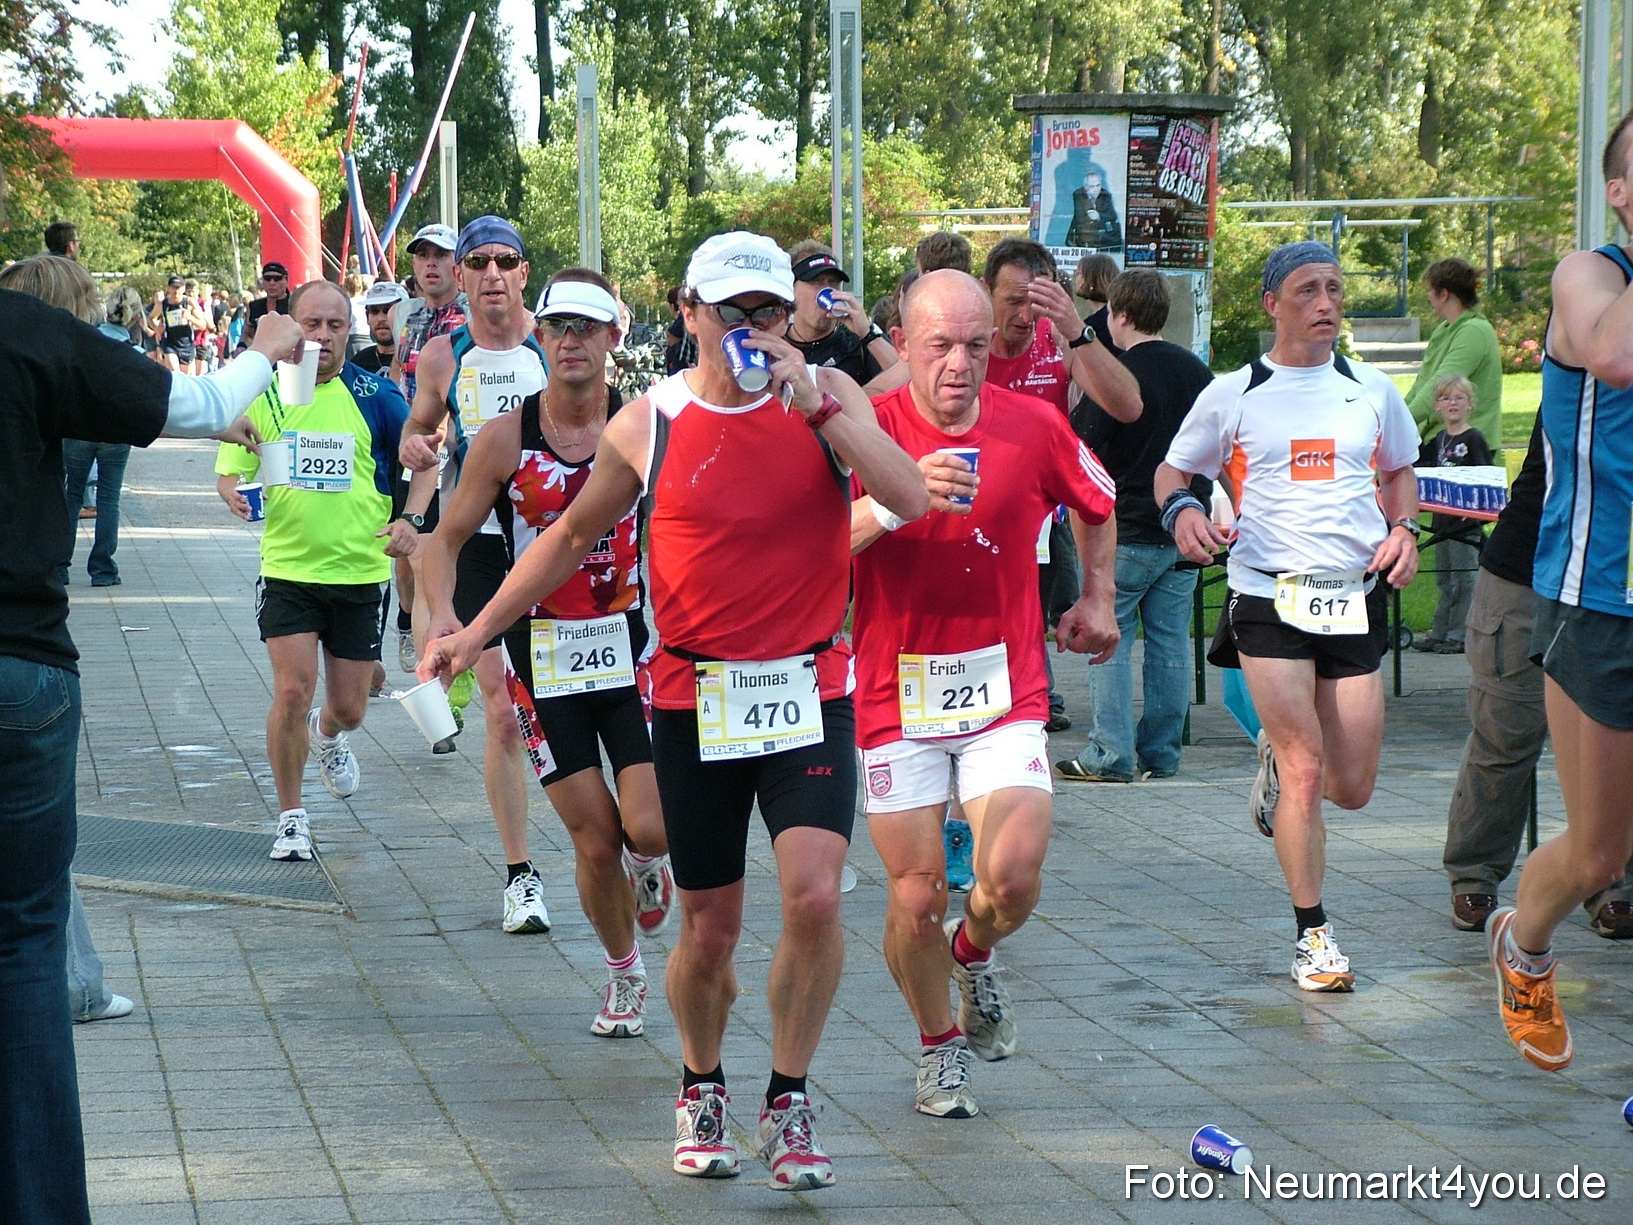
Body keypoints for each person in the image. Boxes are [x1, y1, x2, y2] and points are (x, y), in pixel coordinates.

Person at [418, 231, 926, 1191]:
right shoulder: (650, 420)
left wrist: (821, 408)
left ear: (792, 317)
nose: (747, 331)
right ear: (687, 312)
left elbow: (905, 496)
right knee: (712, 927)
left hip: (810, 691)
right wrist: (473, 628)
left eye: (765, 313)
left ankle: (788, 1096)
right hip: (697, 700)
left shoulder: (830, 397)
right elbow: (566, 536)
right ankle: (701, 1081)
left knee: (816, 894)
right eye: (726, 311)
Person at [0, 280, 300, 1225]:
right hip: (21, 669)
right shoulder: (31, 335)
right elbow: (202, 405)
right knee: (25, 948)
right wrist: (269, 343)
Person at [849, 269, 1117, 1119]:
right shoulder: (869, 431)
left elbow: (1099, 501)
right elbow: (816, 542)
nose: (960, 363)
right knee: (915, 891)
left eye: (974, 344)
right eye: (939, 345)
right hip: (896, 692)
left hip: (1004, 688)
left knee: (1011, 876)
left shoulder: (1032, 423)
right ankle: (937, 1049)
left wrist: (1099, 595)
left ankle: (975, 952)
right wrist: (897, 502)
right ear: (904, 339)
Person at [1156, 240, 1421, 993]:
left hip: (1352, 593)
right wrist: (1181, 512)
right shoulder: (1234, 391)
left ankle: (1275, 757)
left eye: (1334, 288)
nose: (1326, 303)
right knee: (1307, 771)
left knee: (1352, 785)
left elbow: (1398, 470)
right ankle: (1313, 934)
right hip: (1266, 592)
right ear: (1272, 303)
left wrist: (1400, 528)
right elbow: (1175, 469)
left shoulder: (1371, 389)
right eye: (1307, 289)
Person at [418, 268, 675, 1035]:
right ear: (543, 336)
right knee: (593, 837)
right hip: (543, 658)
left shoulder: (646, 427)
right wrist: (439, 615)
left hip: (630, 647)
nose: (570, 341)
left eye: (586, 328)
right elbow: (445, 539)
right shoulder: (507, 437)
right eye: (558, 326)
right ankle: (623, 974)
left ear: (612, 338)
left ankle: (648, 864)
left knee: (650, 827)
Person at [1486, 113, 1633, 1073]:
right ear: (1620, 191)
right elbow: (1614, 355)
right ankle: (1523, 946)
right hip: (1601, 598)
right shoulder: (1588, 277)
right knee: (1597, 857)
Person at [213, 279, 414, 862]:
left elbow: (421, 462)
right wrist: (232, 490)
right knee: (293, 691)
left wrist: (415, 520)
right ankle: (292, 817)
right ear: (290, 326)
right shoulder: (268, 391)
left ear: (347, 330)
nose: (321, 337)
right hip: (289, 570)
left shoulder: (378, 397)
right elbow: (231, 468)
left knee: (349, 708)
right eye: (311, 324)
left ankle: (329, 739)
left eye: (333, 326)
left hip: (358, 574)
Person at [399, 216, 547, 931]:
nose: (492, 274)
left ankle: (632, 843)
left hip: (556, 543)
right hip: (481, 542)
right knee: (500, 712)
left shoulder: (556, 345)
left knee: (566, 706)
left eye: (505, 261)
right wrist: (416, 449)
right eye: (478, 262)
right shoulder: (441, 355)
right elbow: (415, 428)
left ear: (523, 272)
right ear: (459, 276)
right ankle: (521, 875)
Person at [1440, 418, 1633, 936]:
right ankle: (1473, 874)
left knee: (1612, 742)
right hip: (1525, 577)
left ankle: (1612, 883)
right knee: (1505, 737)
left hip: (1610, 587)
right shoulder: (1592, 365)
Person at [1059, 269, 1214, 783]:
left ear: (1118, 316)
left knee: (1112, 639)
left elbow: (1083, 448)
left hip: (1125, 528)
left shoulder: (1120, 376)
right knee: (1170, 642)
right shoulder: (1197, 372)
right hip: (1186, 525)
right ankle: (1163, 753)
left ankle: (1111, 752)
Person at [387, 223, 466, 675]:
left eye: (440, 256)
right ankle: (407, 621)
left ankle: (438, 679)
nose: (431, 264)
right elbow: (400, 375)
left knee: (428, 559)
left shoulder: (473, 316)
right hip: (413, 448)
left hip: (455, 455)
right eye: (422, 256)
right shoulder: (408, 316)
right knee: (405, 560)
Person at [1413, 374, 1493, 655]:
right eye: (1446, 398)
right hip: (1441, 521)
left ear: (1470, 404)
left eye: (1459, 398)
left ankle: (1460, 635)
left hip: (1464, 524)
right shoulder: (1439, 440)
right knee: (1444, 580)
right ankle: (1441, 631)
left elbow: (1485, 478)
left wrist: (1473, 511)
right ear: (1437, 405)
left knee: (1464, 578)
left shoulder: (1474, 439)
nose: (1452, 403)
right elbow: (1419, 466)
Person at [1404, 257, 1503, 460]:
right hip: (1438, 440)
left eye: (1430, 291)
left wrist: (1397, 423)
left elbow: (1438, 384)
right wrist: (1395, 416)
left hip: (1467, 448)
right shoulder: (1446, 329)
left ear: (1443, 294)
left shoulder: (1474, 331)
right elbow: (1421, 385)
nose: (1428, 297)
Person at [783, 241, 899, 384]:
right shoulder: (777, 345)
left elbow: (907, 380)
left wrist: (868, 334)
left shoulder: (859, 340)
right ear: (790, 289)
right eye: (816, 282)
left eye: (833, 283)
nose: (828, 292)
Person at [150, 275, 207, 373]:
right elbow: (151, 318)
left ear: (184, 289)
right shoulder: (162, 304)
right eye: (173, 287)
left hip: (186, 344)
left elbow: (203, 325)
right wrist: (156, 328)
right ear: (168, 288)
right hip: (170, 343)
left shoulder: (190, 303)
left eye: (179, 288)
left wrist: (190, 317)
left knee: (186, 379)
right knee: (176, 374)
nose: (176, 291)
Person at [1073, 252, 1123, 358]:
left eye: (1078, 273)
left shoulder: (1096, 325)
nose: (1076, 277)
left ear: (1091, 279)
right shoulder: (1118, 315)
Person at [353, 280, 407, 374]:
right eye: (374, 311)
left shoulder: (419, 360)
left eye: (387, 310)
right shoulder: (358, 363)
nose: (380, 319)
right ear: (367, 316)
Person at [237, 261, 291, 352]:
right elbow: (246, 333)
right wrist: (241, 346)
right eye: (267, 278)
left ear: (286, 281)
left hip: (289, 358)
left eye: (277, 278)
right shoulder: (254, 306)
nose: (272, 283)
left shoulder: (295, 304)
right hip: (262, 358)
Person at [1065, 167, 1122, 251]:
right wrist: (1096, 218)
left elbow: (1112, 215)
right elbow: (1080, 218)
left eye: (1098, 185)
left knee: (1114, 233)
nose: (1096, 189)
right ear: (1086, 187)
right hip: (1082, 233)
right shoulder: (1078, 195)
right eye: (1092, 186)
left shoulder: (1105, 194)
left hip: (1100, 233)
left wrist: (1099, 216)